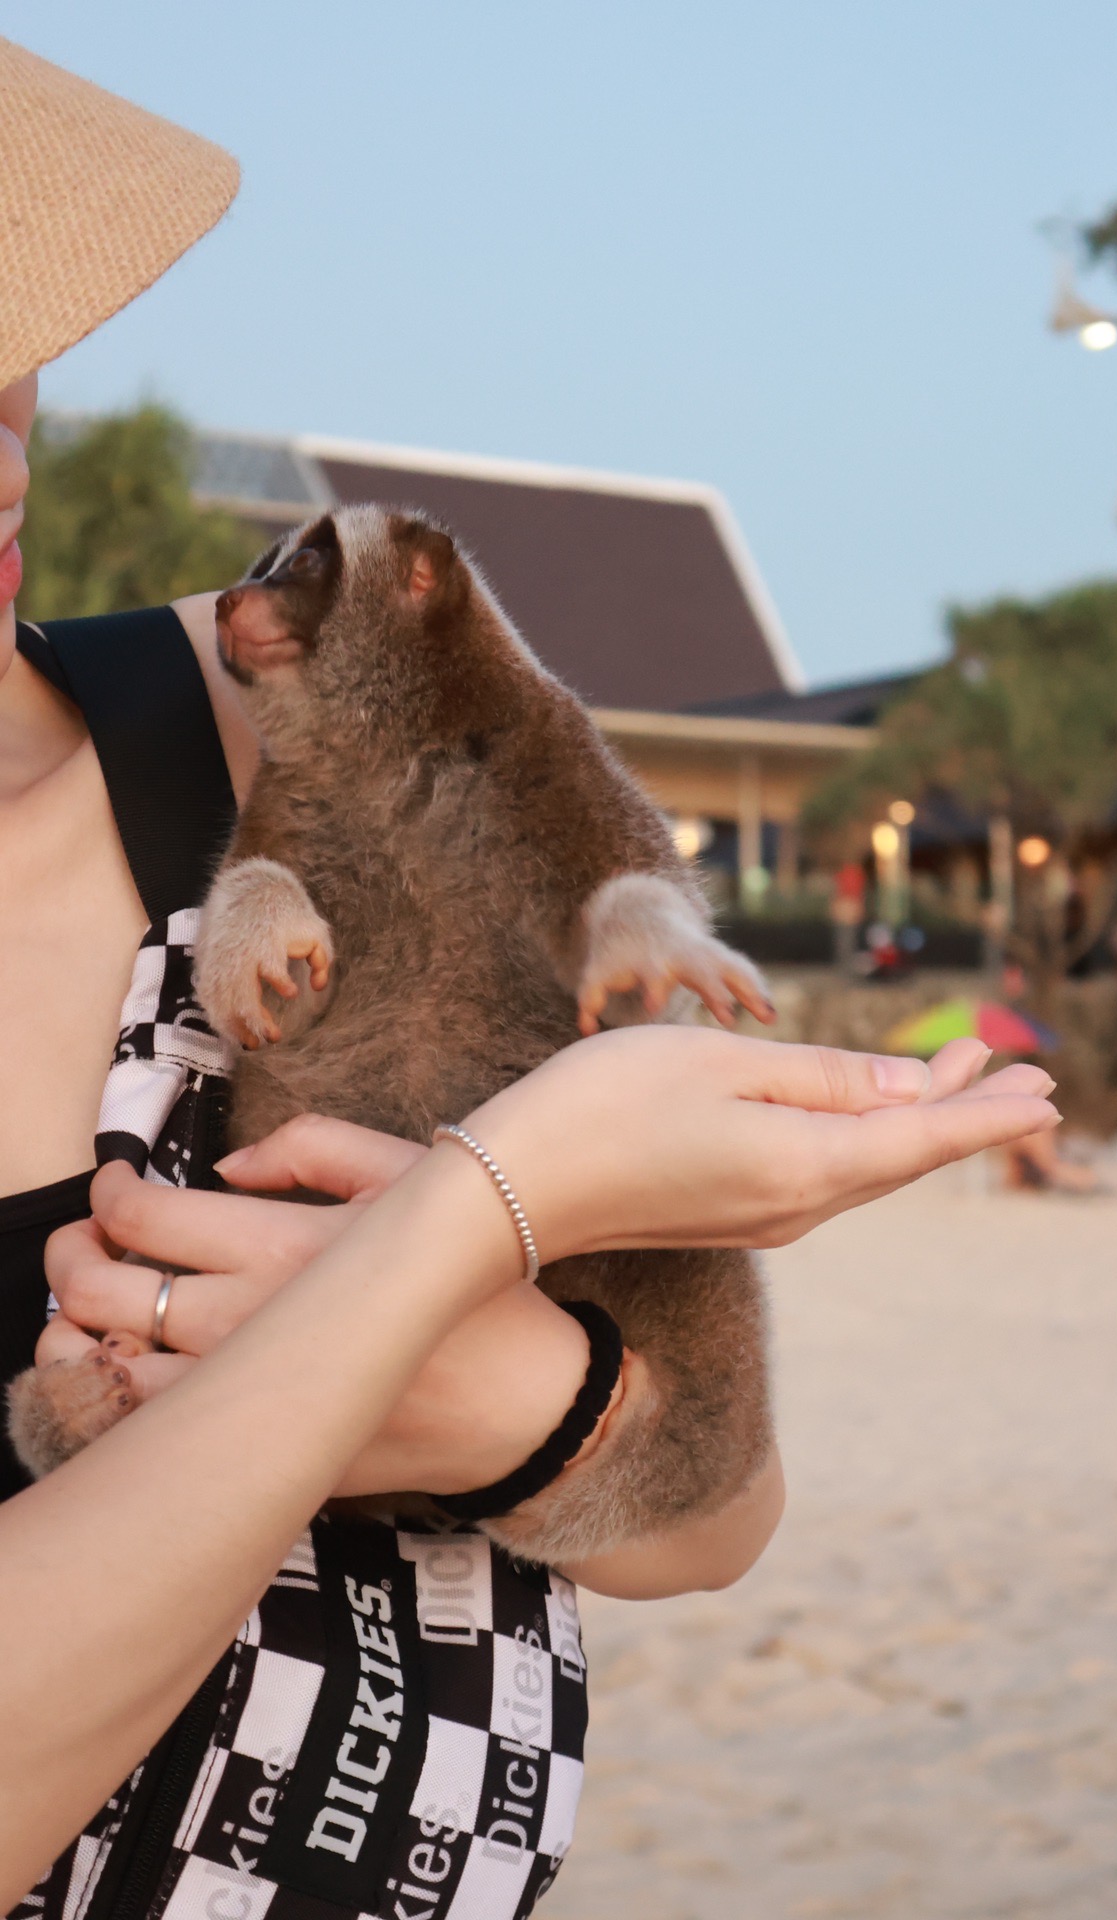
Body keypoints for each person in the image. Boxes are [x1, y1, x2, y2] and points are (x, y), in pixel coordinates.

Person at [0, 36, 1062, 1920]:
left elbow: (714, 1519)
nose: (5, 451)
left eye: (13, 356)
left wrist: (527, 1397)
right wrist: (472, 1230)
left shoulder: (240, 717)